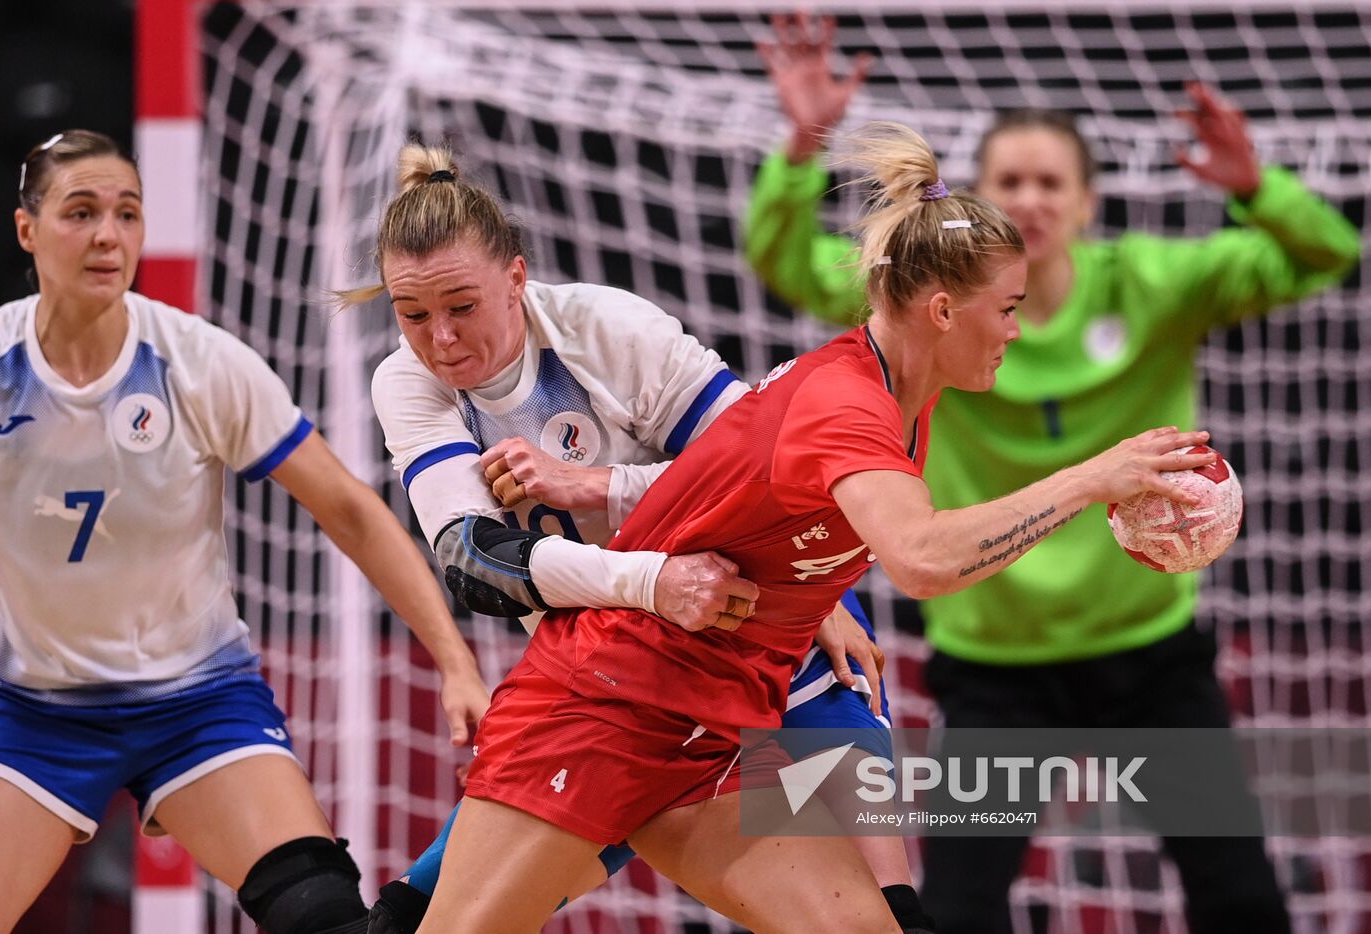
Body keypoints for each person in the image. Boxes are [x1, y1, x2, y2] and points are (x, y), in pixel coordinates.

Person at [391, 118, 1218, 934]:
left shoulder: (901, 397)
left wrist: (807, 595)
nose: (1014, 330)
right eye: (1006, 308)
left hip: (725, 716)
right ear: (939, 310)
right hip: (606, 702)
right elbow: (923, 561)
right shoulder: (848, 407)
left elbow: (727, 488)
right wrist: (1090, 479)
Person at [746, 13, 1361, 933]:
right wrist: (801, 143)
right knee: (958, 909)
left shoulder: (1156, 283)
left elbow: (1327, 253)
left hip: (1149, 651)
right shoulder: (935, 308)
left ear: (1084, 202)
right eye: (1009, 182)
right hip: (1000, 668)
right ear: (978, 206)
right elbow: (781, 256)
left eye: (1050, 182)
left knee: (1240, 898)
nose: (1030, 198)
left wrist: (1257, 188)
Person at [343, 144, 922, 933]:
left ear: (517, 278)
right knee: (405, 921)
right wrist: (650, 580)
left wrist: (596, 486)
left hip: (762, 647)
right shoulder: (406, 384)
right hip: (608, 693)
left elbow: (773, 477)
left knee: (890, 915)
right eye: (413, 316)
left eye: (461, 306)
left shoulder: (606, 329)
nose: (440, 339)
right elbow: (473, 565)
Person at [0, 129, 491, 934]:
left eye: (127, 213)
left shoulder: (199, 362)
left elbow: (352, 510)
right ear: (28, 230)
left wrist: (455, 660)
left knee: (327, 920)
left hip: (196, 701)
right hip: (33, 709)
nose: (108, 235)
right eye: (80, 213)